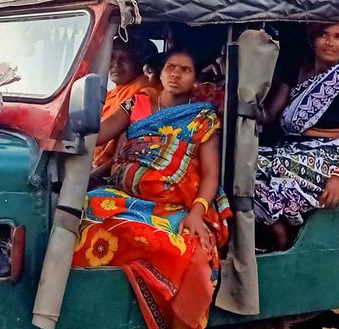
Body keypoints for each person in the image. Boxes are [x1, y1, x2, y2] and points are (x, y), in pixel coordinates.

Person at [73, 47, 231, 329]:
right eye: (171, 67)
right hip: (125, 198)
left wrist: (197, 213)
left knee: (191, 253)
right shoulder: (138, 104)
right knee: (83, 215)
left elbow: (210, 174)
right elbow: (97, 134)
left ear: (195, 79)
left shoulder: (202, 118)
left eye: (185, 70)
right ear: (160, 72)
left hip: (177, 206)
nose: (176, 74)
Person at [252, 23, 339, 251]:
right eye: (324, 35)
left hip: (328, 157)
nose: (330, 42)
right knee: (240, 163)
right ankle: (275, 229)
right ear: (312, 40)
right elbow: (269, 116)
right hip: (288, 150)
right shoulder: (297, 72)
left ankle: (281, 236)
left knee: (263, 169)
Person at [92, 37, 158, 170]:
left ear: (139, 64)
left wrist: (93, 176)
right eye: (112, 57)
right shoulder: (112, 94)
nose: (116, 64)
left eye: (124, 59)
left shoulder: (141, 94)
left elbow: (119, 151)